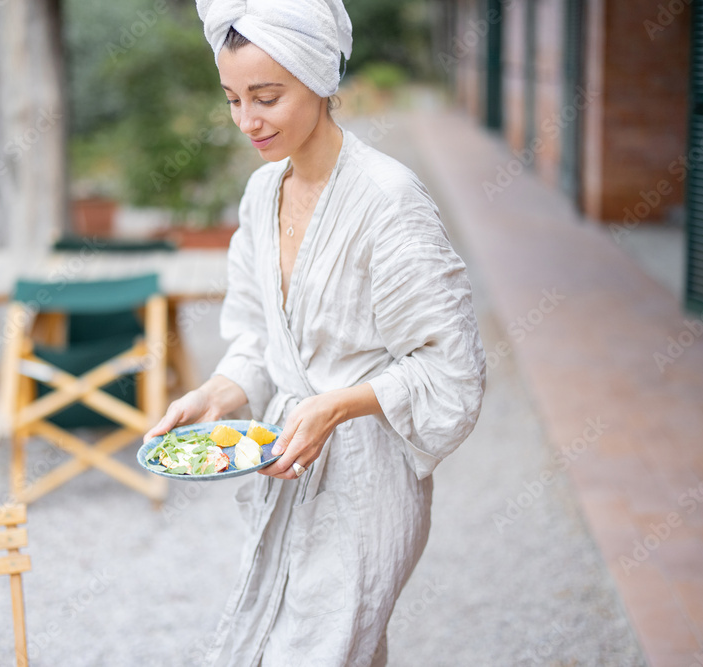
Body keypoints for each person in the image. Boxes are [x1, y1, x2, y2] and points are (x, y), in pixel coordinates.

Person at [143, 1, 486, 664]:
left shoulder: (389, 202)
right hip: (285, 464)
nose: (247, 121)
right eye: (233, 98)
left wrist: (337, 404)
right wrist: (218, 393)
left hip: (366, 478)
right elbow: (255, 337)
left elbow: (452, 371)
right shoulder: (260, 193)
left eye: (266, 97)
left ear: (320, 80)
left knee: (321, 647)